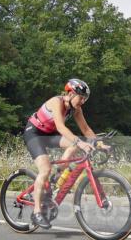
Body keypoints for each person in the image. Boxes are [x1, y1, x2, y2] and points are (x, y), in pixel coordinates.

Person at [23, 78, 107, 230]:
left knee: (74, 146)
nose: (82, 101)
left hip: (49, 134)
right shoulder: (57, 102)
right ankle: (36, 212)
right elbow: (61, 127)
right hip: (34, 134)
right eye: (80, 97)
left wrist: (99, 143)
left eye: (84, 99)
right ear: (69, 93)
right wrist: (80, 142)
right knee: (45, 169)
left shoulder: (76, 109)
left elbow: (86, 130)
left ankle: (57, 175)